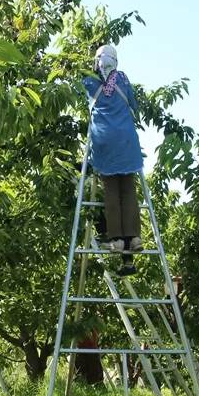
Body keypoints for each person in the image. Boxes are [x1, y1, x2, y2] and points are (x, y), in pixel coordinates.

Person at [82, 44, 143, 276]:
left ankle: (116, 239)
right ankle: (134, 238)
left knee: (111, 192)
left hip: (105, 143)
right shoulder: (123, 80)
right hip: (127, 142)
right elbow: (134, 105)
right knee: (128, 191)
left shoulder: (89, 82)